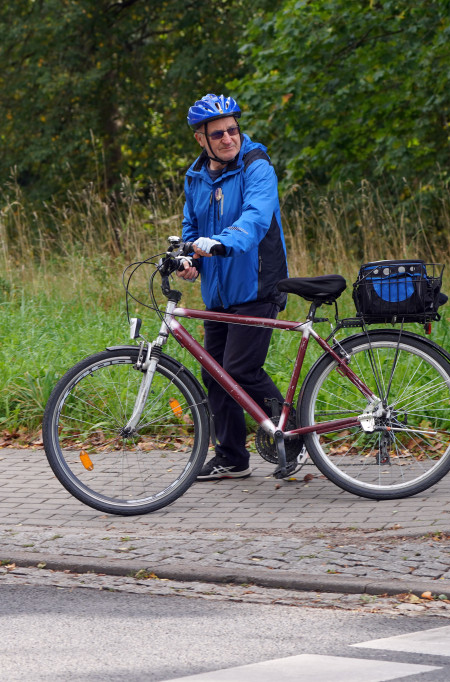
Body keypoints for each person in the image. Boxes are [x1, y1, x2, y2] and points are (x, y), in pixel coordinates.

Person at [178, 94, 290, 481]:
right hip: (219, 294)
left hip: (257, 284)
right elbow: (191, 228)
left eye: (233, 130)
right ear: (201, 139)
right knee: (214, 374)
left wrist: (223, 242)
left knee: (240, 368)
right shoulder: (196, 178)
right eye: (218, 133)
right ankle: (231, 457)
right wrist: (190, 258)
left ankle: (290, 436)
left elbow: (256, 218)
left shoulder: (256, 166)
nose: (229, 138)